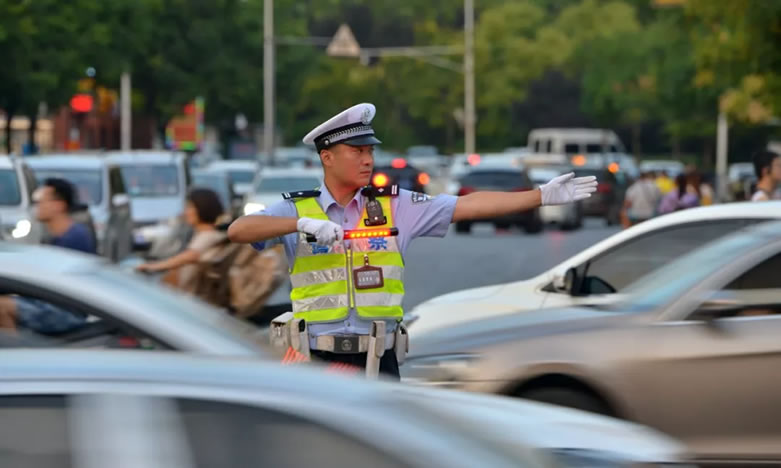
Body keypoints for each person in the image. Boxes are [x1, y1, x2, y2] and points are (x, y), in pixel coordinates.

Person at [227, 103, 597, 379]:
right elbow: (239, 230)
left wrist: (539, 197)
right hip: (315, 362)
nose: (368, 159)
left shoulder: (394, 206)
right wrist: (299, 224)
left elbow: (466, 206)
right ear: (327, 157)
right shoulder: (297, 207)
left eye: (370, 150)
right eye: (357, 151)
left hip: (378, 362)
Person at [0, 178, 96, 333]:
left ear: (59, 205)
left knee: (2, 307)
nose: (37, 206)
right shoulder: (60, 236)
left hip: (66, 312)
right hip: (55, 304)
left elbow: (57, 285)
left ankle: (15, 354)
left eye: (41, 201)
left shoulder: (73, 238)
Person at [136, 188, 226, 290]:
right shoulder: (202, 234)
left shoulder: (208, 236)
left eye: (189, 207)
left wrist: (153, 266)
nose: (185, 212)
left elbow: (190, 256)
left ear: (202, 208)